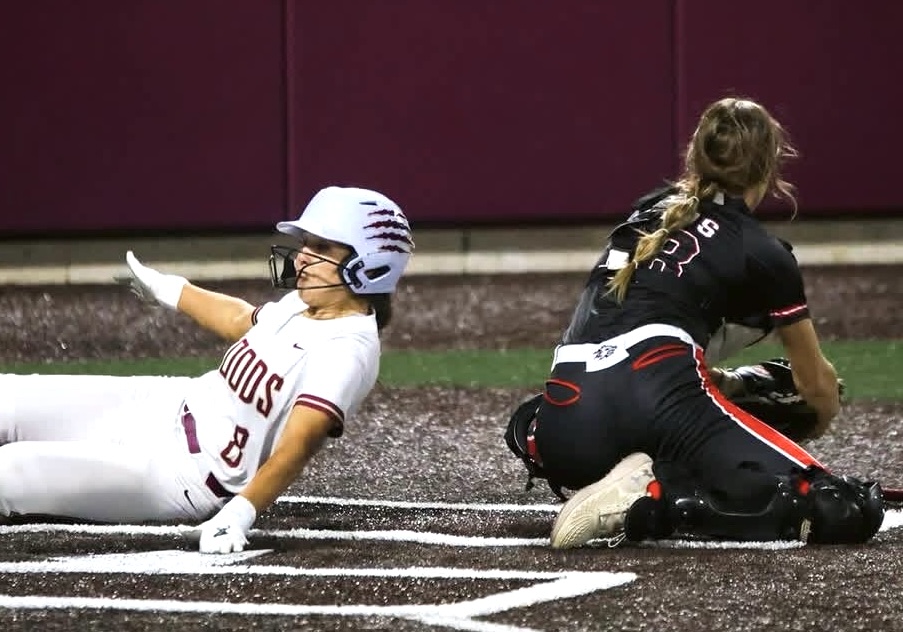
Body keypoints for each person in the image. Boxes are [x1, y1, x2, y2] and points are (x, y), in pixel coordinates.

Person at [504, 97, 883, 548]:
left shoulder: (649, 211)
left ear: (695, 155)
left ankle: (656, 463)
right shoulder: (763, 253)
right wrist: (819, 408)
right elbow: (817, 390)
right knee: (846, 507)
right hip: (652, 392)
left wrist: (728, 385)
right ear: (770, 165)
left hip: (562, 428)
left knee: (733, 385)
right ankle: (665, 499)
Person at [0, 185, 414, 553]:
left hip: (183, 475)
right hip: (164, 404)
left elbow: (300, 442)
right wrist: (171, 289)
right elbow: (241, 320)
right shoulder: (305, 304)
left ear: (369, 266)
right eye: (305, 242)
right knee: (8, 397)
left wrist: (241, 512)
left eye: (321, 247)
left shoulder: (347, 350)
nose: (303, 256)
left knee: (11, 472)